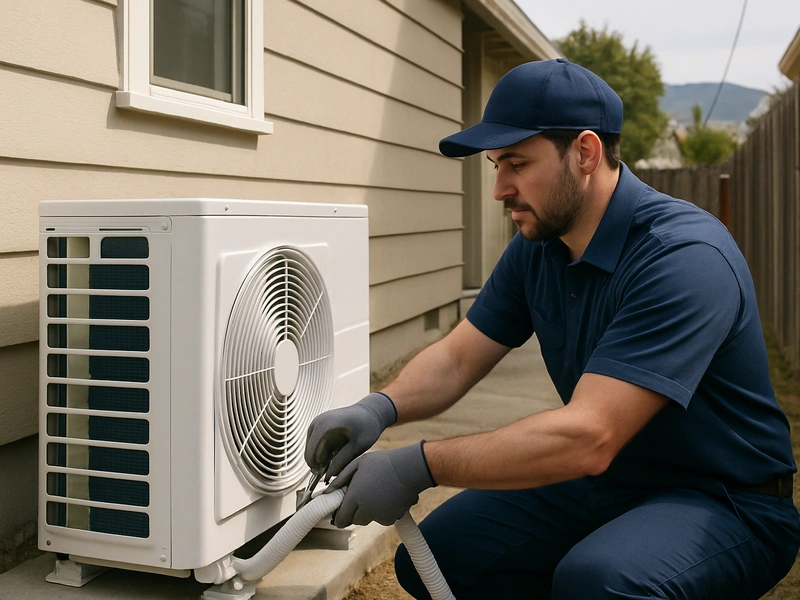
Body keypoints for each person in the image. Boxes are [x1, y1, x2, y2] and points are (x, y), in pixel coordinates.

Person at [304, 58, 800, 599]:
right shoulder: (539, 248)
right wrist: (379, 408)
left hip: (724, 501)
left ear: (585, 153)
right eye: (496, 165)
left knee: (600, 581)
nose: (499, 189)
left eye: (516, 163)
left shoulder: (683, 257)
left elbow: (589, 436)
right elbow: (457, 358)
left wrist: (417, 465)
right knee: (440, 559)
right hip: (609, 485)